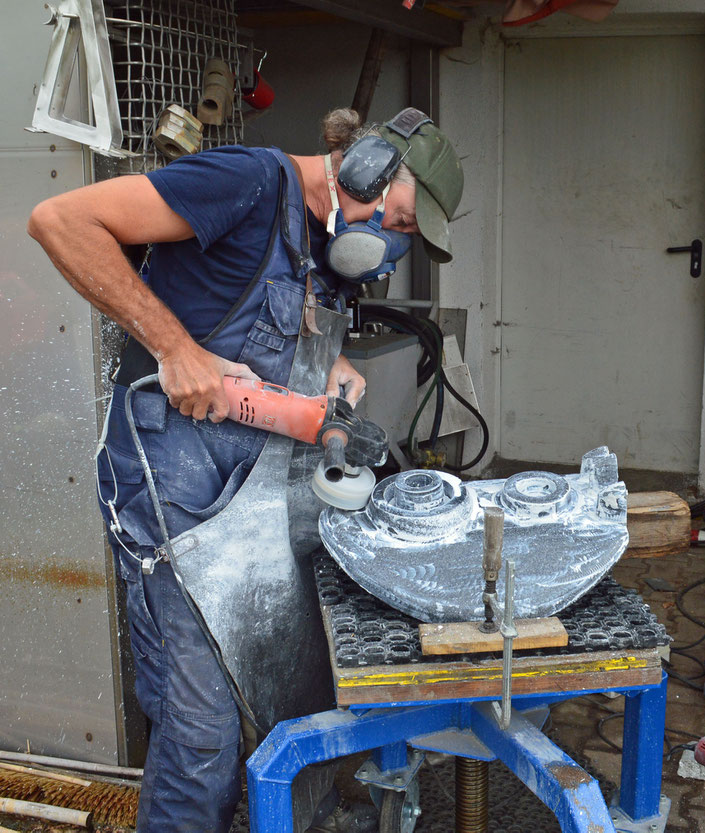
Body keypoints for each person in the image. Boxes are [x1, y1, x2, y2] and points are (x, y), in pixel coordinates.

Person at [27, 106, 463, 833]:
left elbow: (275, 336)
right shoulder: (247, 183)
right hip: (174, 491)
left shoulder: (325, 247)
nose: (393, 246)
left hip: (254, 493)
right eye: (406, 222)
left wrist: (335, 372)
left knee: (282, 685)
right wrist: (173, 347)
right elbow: (60, 221)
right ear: (369, 170)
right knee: (202, 734)